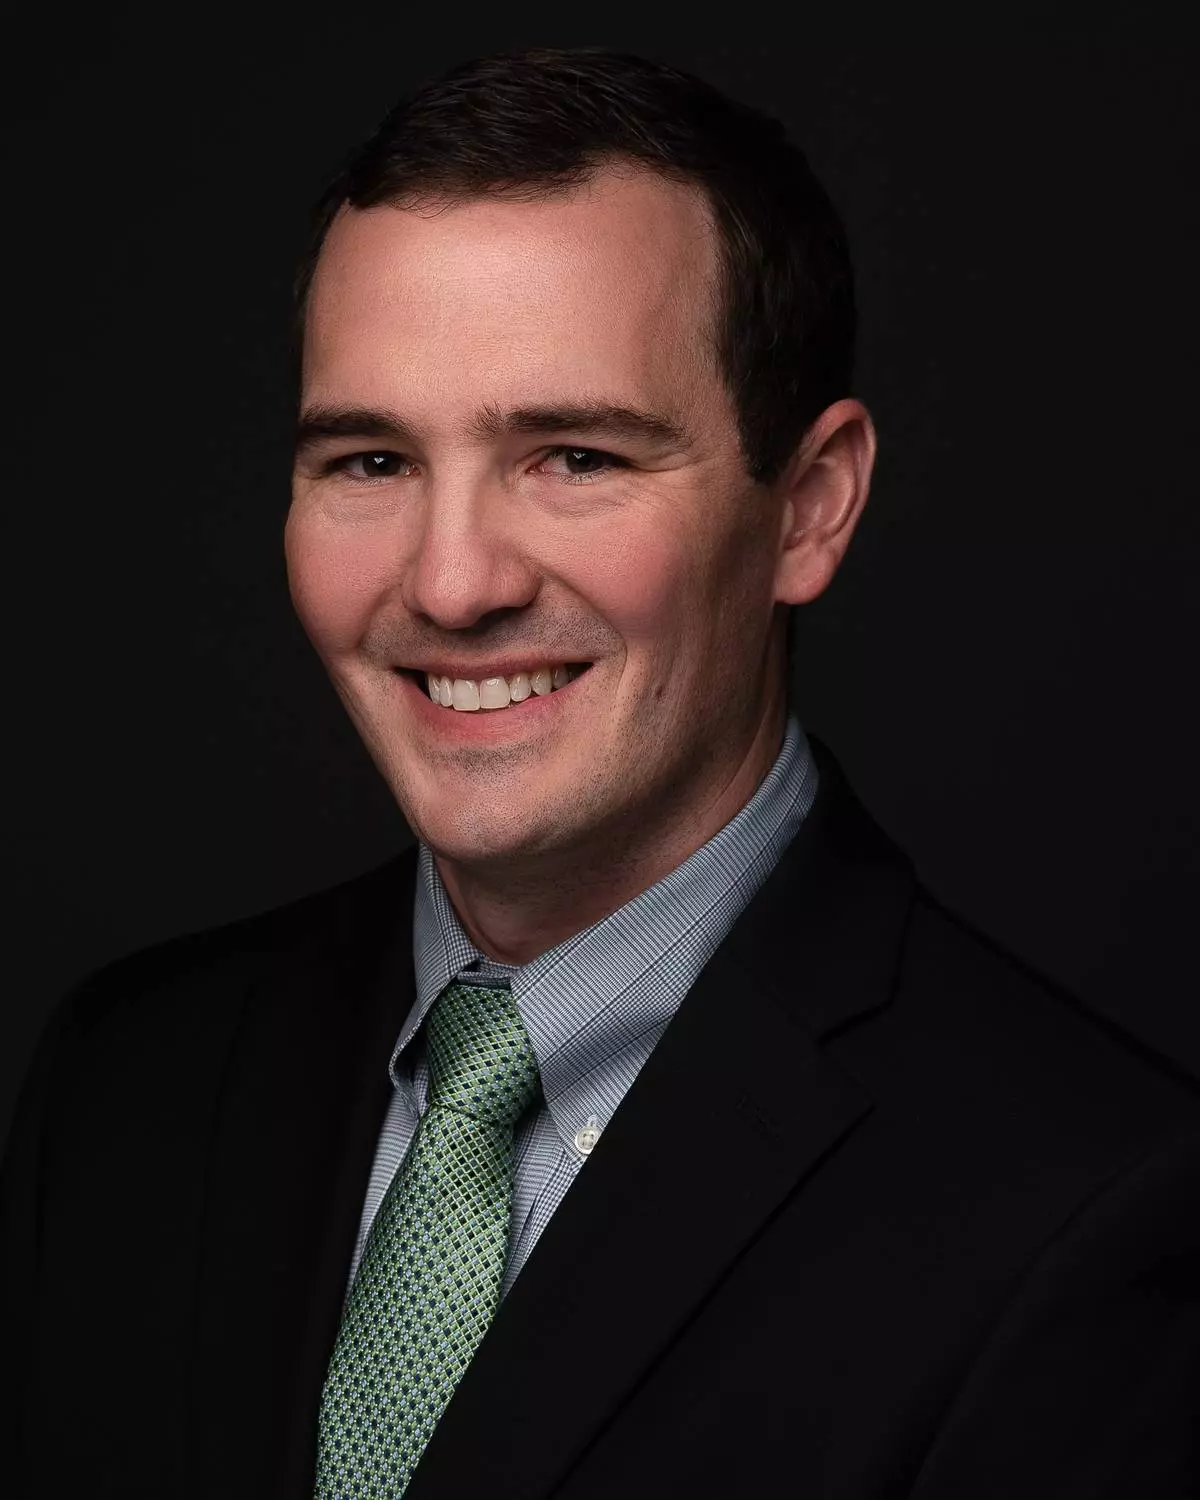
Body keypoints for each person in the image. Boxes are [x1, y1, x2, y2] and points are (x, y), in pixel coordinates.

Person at [3, 44, 1198, 1500]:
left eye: (573, 456)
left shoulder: (1089, 1214)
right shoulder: (129, 1081)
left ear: (809, 508)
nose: (452, 584)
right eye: (371, 462)